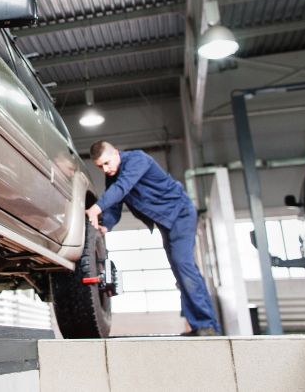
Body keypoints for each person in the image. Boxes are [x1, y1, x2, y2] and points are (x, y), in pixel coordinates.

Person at [84, 140, 222, 336]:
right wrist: (105, 225)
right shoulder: (113, 177)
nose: (105, 169)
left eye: (107, 163)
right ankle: (200, 325)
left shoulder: (137, 160)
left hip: (180, 214)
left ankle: (207, 324)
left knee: (184, 266)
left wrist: (95, 208)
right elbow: (114, 206)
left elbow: (122, 188)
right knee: (180, 271)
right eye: (100, 167)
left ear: (116, 152)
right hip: (166, 222)